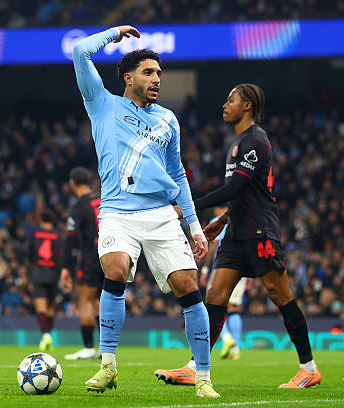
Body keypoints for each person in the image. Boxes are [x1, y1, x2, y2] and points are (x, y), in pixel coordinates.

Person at [72, 25, 219, 398]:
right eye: (148, 72)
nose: (156, 79)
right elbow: (79, 51)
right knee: (115, 270)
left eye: (159, 73)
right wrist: (114, 33)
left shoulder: (168, 119)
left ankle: (203, 377)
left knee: (189, 287)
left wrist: (194, 226)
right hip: (117, 213)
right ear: (128, 78)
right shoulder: (102, 103)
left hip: (161, 215)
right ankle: (108, 366)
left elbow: (178, 175)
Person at [154, 84, 321, 388]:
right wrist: (223, 219)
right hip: (236, 232)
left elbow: (234, 189)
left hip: (260, 231)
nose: (224, 105)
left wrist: (187, 207)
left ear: (247, 106)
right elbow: (244, 193)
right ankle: (195, 366)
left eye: (230, 100)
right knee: (216, 295)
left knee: (280, 295)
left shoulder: (255, 141)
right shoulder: (238, 142)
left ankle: (309, 369)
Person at [60, 167, 102, 360]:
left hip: (89, 259)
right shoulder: (102, 200)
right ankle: (106, 347)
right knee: (100, 301)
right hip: (108, 256)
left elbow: (70, 239)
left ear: (72, 183)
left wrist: (65, 267)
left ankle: (88, 348)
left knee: (85, 300)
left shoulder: (78, 206)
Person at [199, 206, 246, 361]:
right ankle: (236, 349)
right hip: (242, 268)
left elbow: (213, 247)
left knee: (214, 305)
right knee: (234, 308)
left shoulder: (217, 221)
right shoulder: (243, 219)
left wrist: (205, 270)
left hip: (222, 269)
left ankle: (227, 338)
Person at [28, 210, 64, 351]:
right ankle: (48, 335)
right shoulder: (58, 235)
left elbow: (30, 253)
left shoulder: (35, 234)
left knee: (40, 307)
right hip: (54, 274)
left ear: (41, 220)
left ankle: (45, 335)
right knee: (50, 307)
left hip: (39, 273)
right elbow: (61, 256)